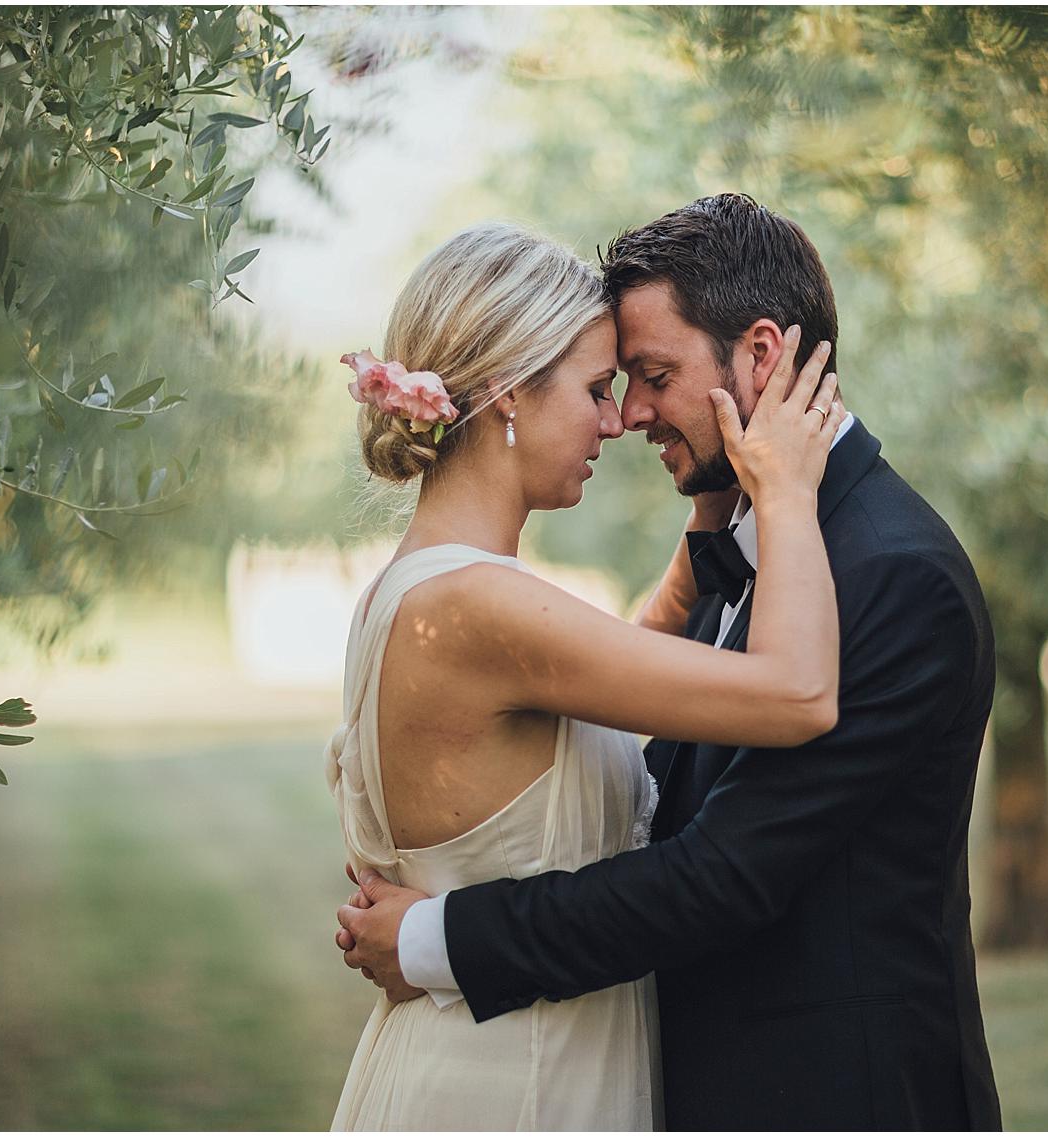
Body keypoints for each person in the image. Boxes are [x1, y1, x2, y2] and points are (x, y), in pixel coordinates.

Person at [336, 194, 1004, 1131]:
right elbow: (729, 712)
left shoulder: (891, 574)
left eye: (648, 375)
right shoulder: (498, 599)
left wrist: (434, 935)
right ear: (509, 397)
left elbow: (724, 870)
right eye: (606, 385)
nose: (628, 416)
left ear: (760, 355)